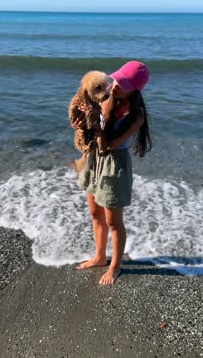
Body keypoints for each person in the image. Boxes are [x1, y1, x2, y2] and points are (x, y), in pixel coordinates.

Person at [72, 61, 152, 285]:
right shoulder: (104, 97)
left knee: (113, 221)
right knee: (95, 213)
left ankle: (116, 265)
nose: (115, 86)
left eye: (123, 84)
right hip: (94, 159)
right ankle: (99, 256)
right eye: (116, 79)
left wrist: (99, 121)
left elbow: (111, 144)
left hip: (114, 164)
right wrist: (80, 122)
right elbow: (86, 128)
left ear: (135, 89)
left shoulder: (135, 115)